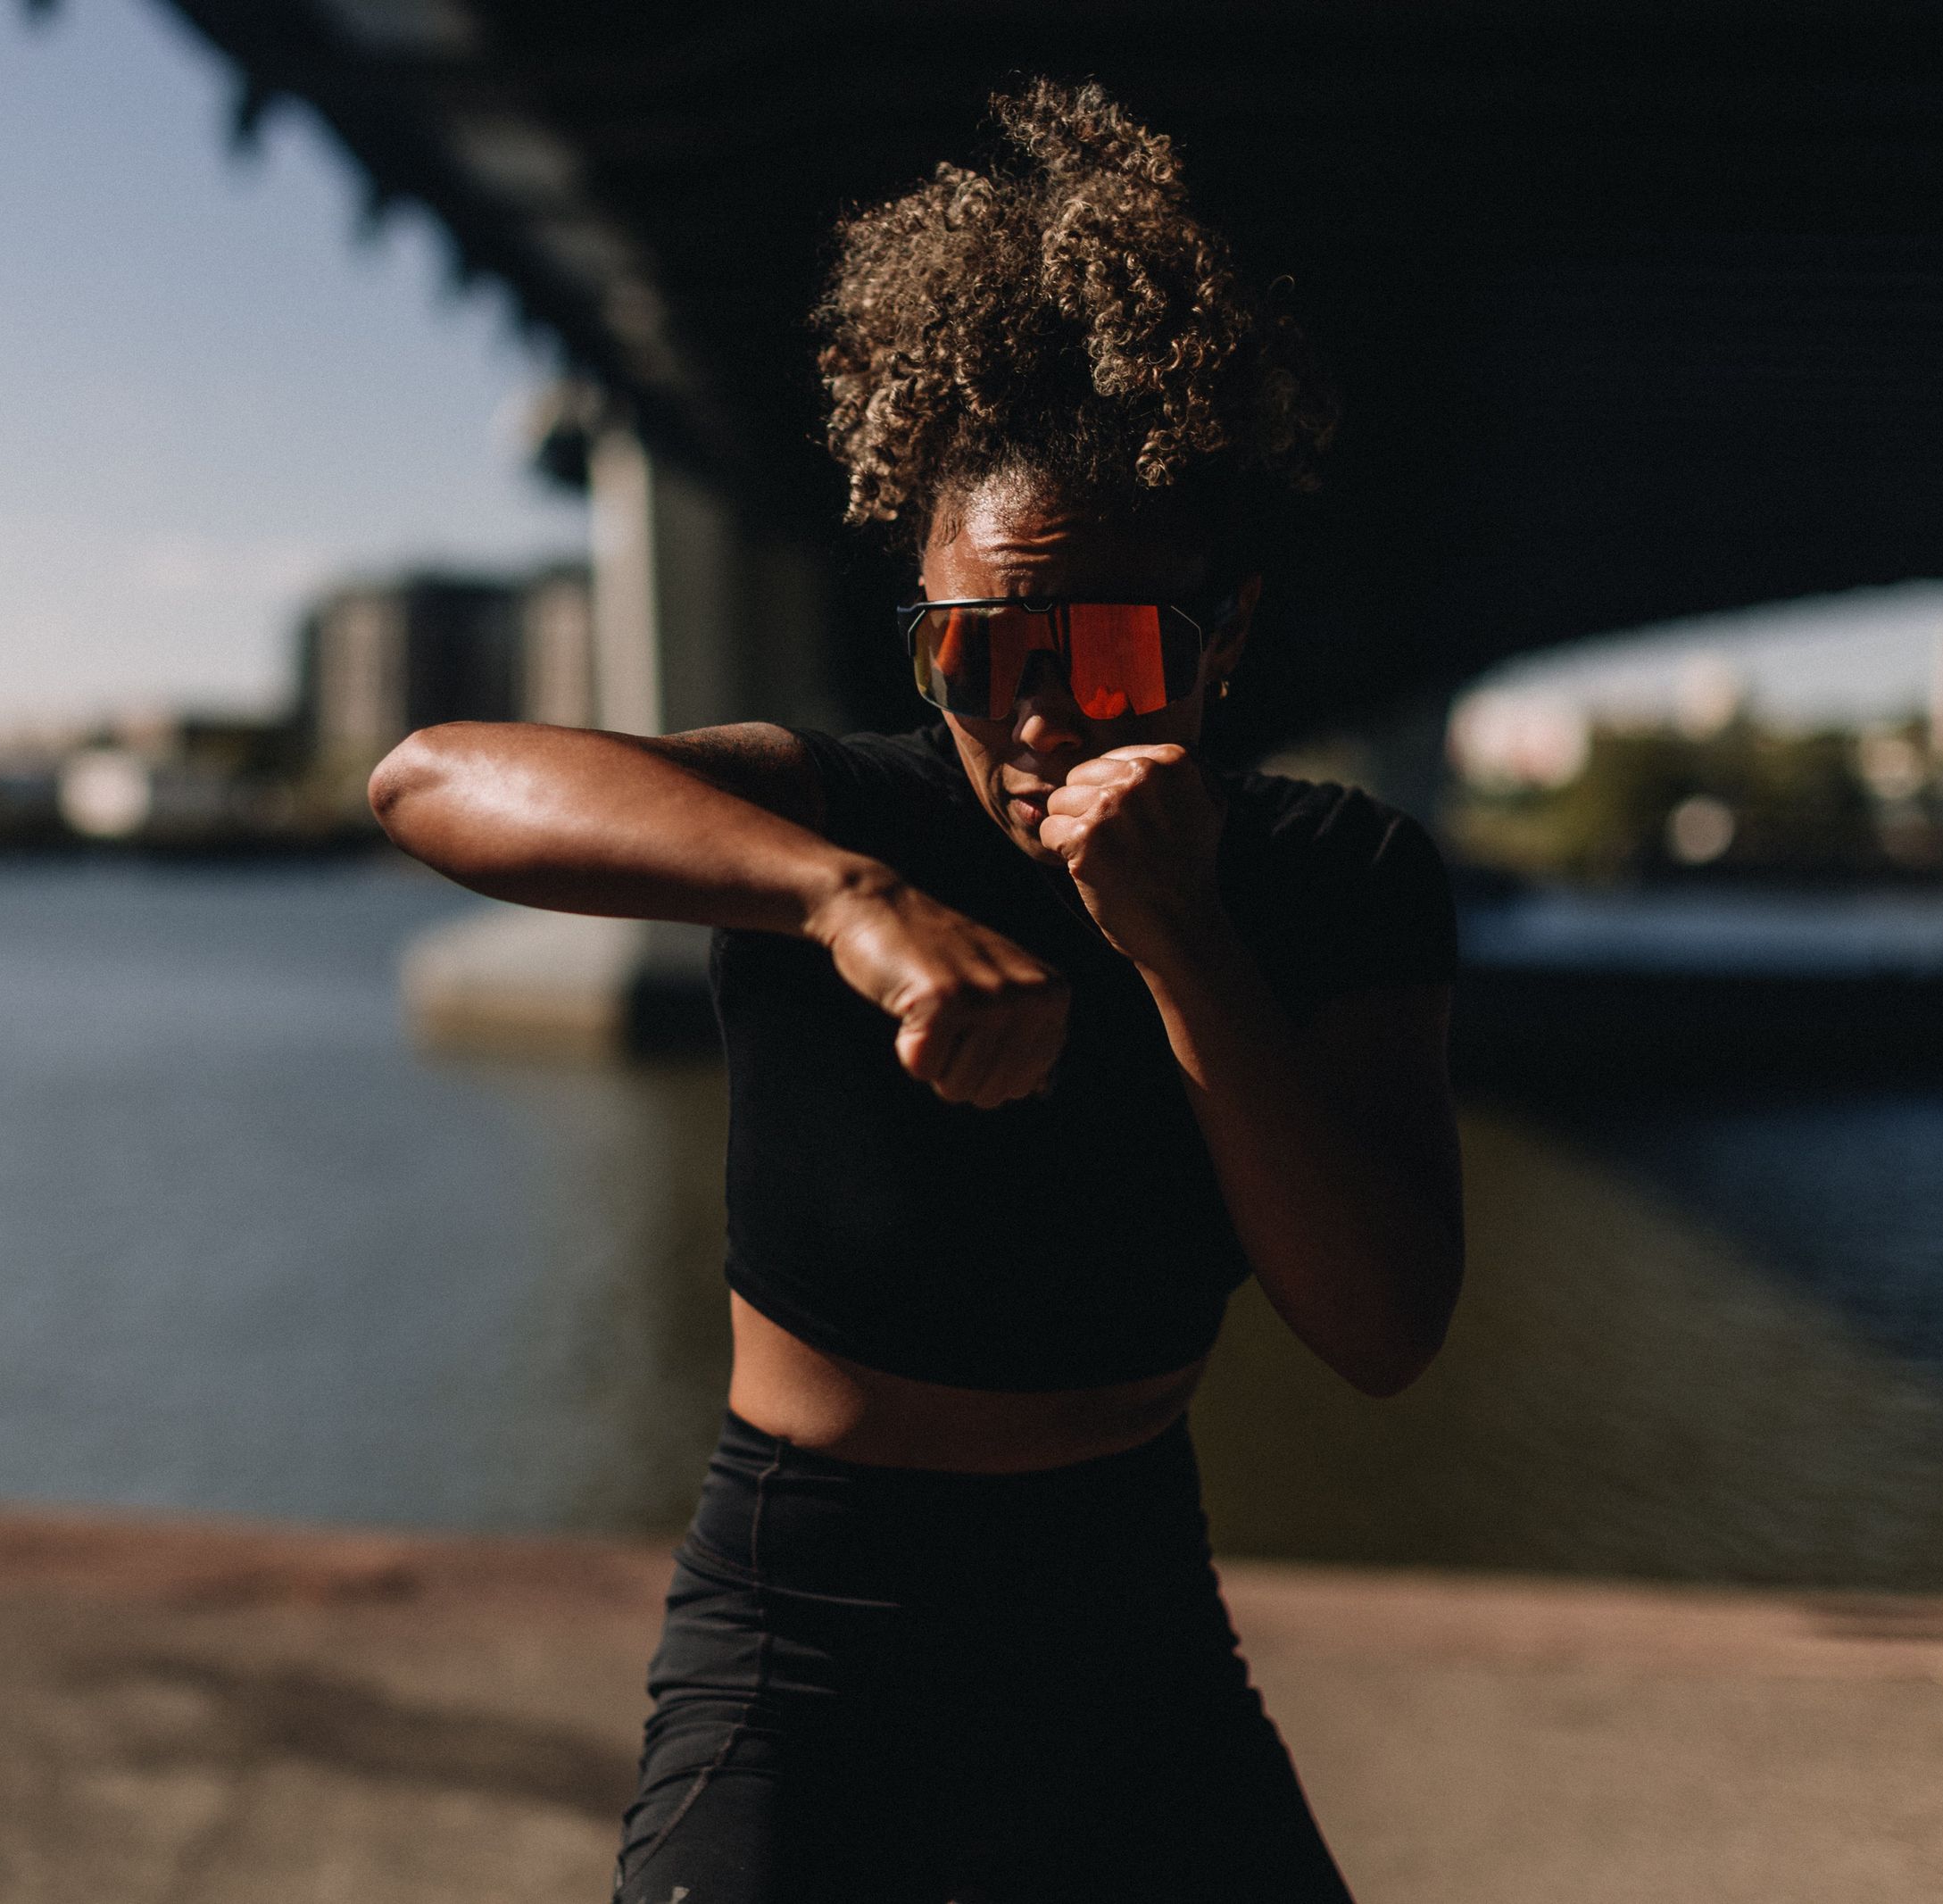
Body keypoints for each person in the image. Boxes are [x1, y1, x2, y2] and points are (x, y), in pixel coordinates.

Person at [371, 78, 1460, 1904]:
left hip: (1126, 1605)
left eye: (1102, 649)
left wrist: (1180, 937)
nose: (1034, 715)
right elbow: (425, 775)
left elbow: (1379, 1326)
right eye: (978, 651)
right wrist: (842, 898)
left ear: (1224, 641)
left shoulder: (1333, 879)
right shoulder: (832, 810)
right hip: (805, 1610)